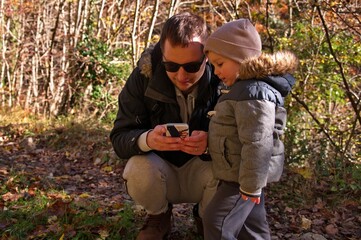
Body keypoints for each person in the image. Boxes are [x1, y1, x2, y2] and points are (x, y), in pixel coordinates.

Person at [110, 12, 221, 239]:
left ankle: (206, 217)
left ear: (207, 57)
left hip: (205, 170)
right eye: (171, 65)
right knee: (137, 167)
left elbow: (245, 141)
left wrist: (211, 143)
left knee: (232, 169)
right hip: (161, 170)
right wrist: (147, 139)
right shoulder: (143, 78)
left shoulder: (224, 80)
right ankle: (159, 216)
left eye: (191, 66)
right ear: (162, 56)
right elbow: (120, 139)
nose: (181, 76)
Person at [202, 19, 298, 239]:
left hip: (242, 179)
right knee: (251, 229)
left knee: (216, 222)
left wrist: (251, 186)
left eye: (219, 63)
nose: (215, 71)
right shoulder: (242, 89)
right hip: (242, 176)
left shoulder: (252, 92)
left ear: (241, 59)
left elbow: (258, 143)